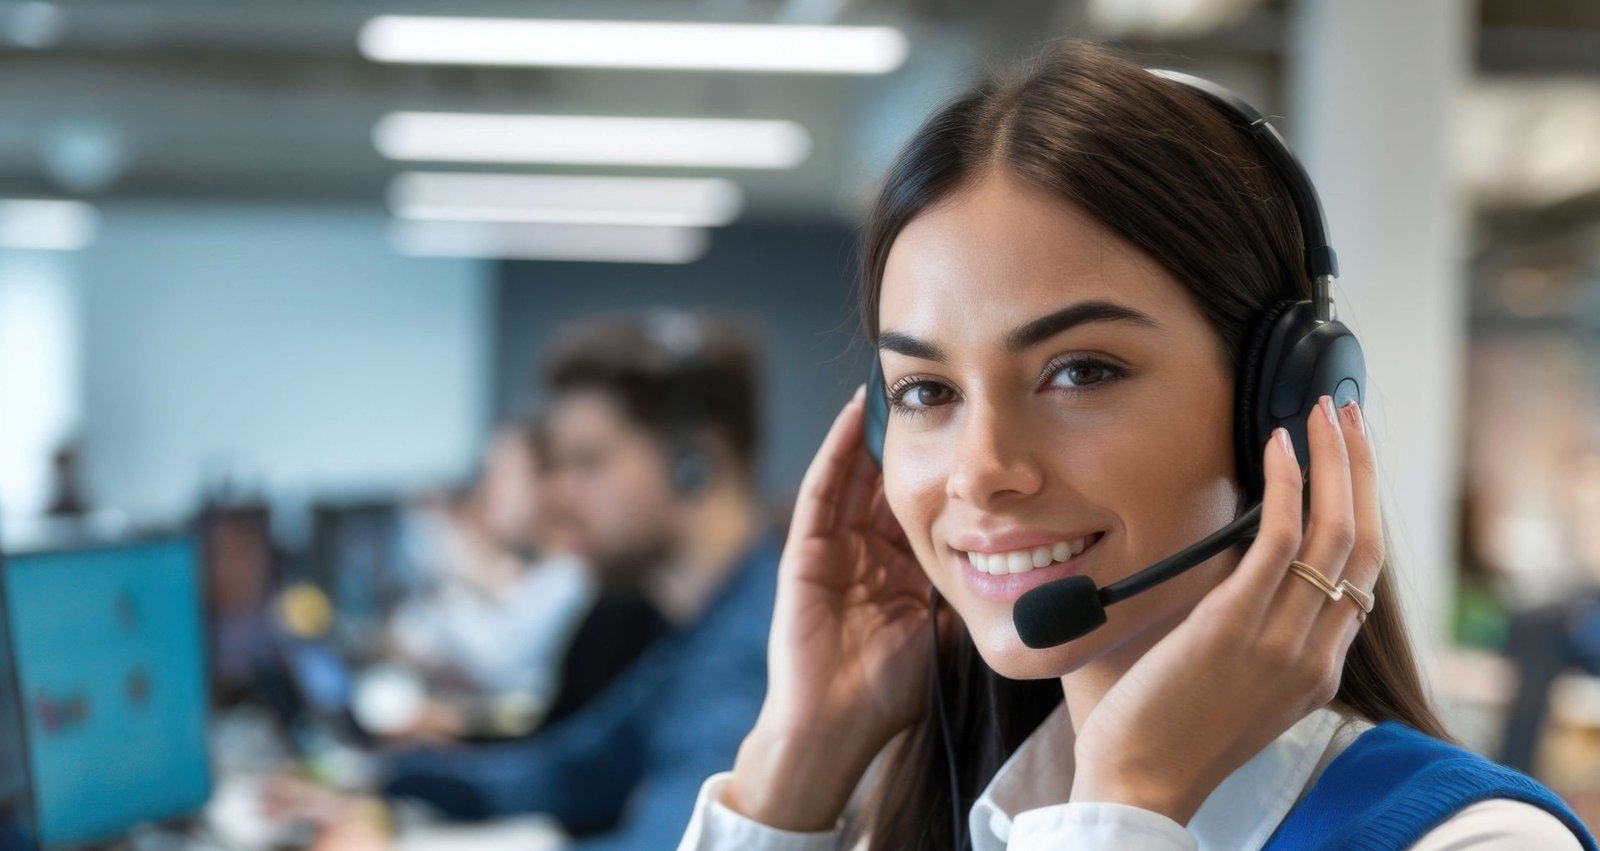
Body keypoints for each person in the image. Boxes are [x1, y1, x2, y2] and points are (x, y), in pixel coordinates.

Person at [677, 43, 1598, 850]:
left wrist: (1128, 802)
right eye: (926, 392)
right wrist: (793, 772)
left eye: (1079, 371)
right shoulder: (928, 817)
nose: (982, 470)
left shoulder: (1476, 842)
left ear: (1280, 403)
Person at [354, 311, 778, 848]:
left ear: (697, 464)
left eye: (588, 462)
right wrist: (378, 786)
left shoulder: (755, 651)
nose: (556, 498)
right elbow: (567, 773)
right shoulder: (700, 633)